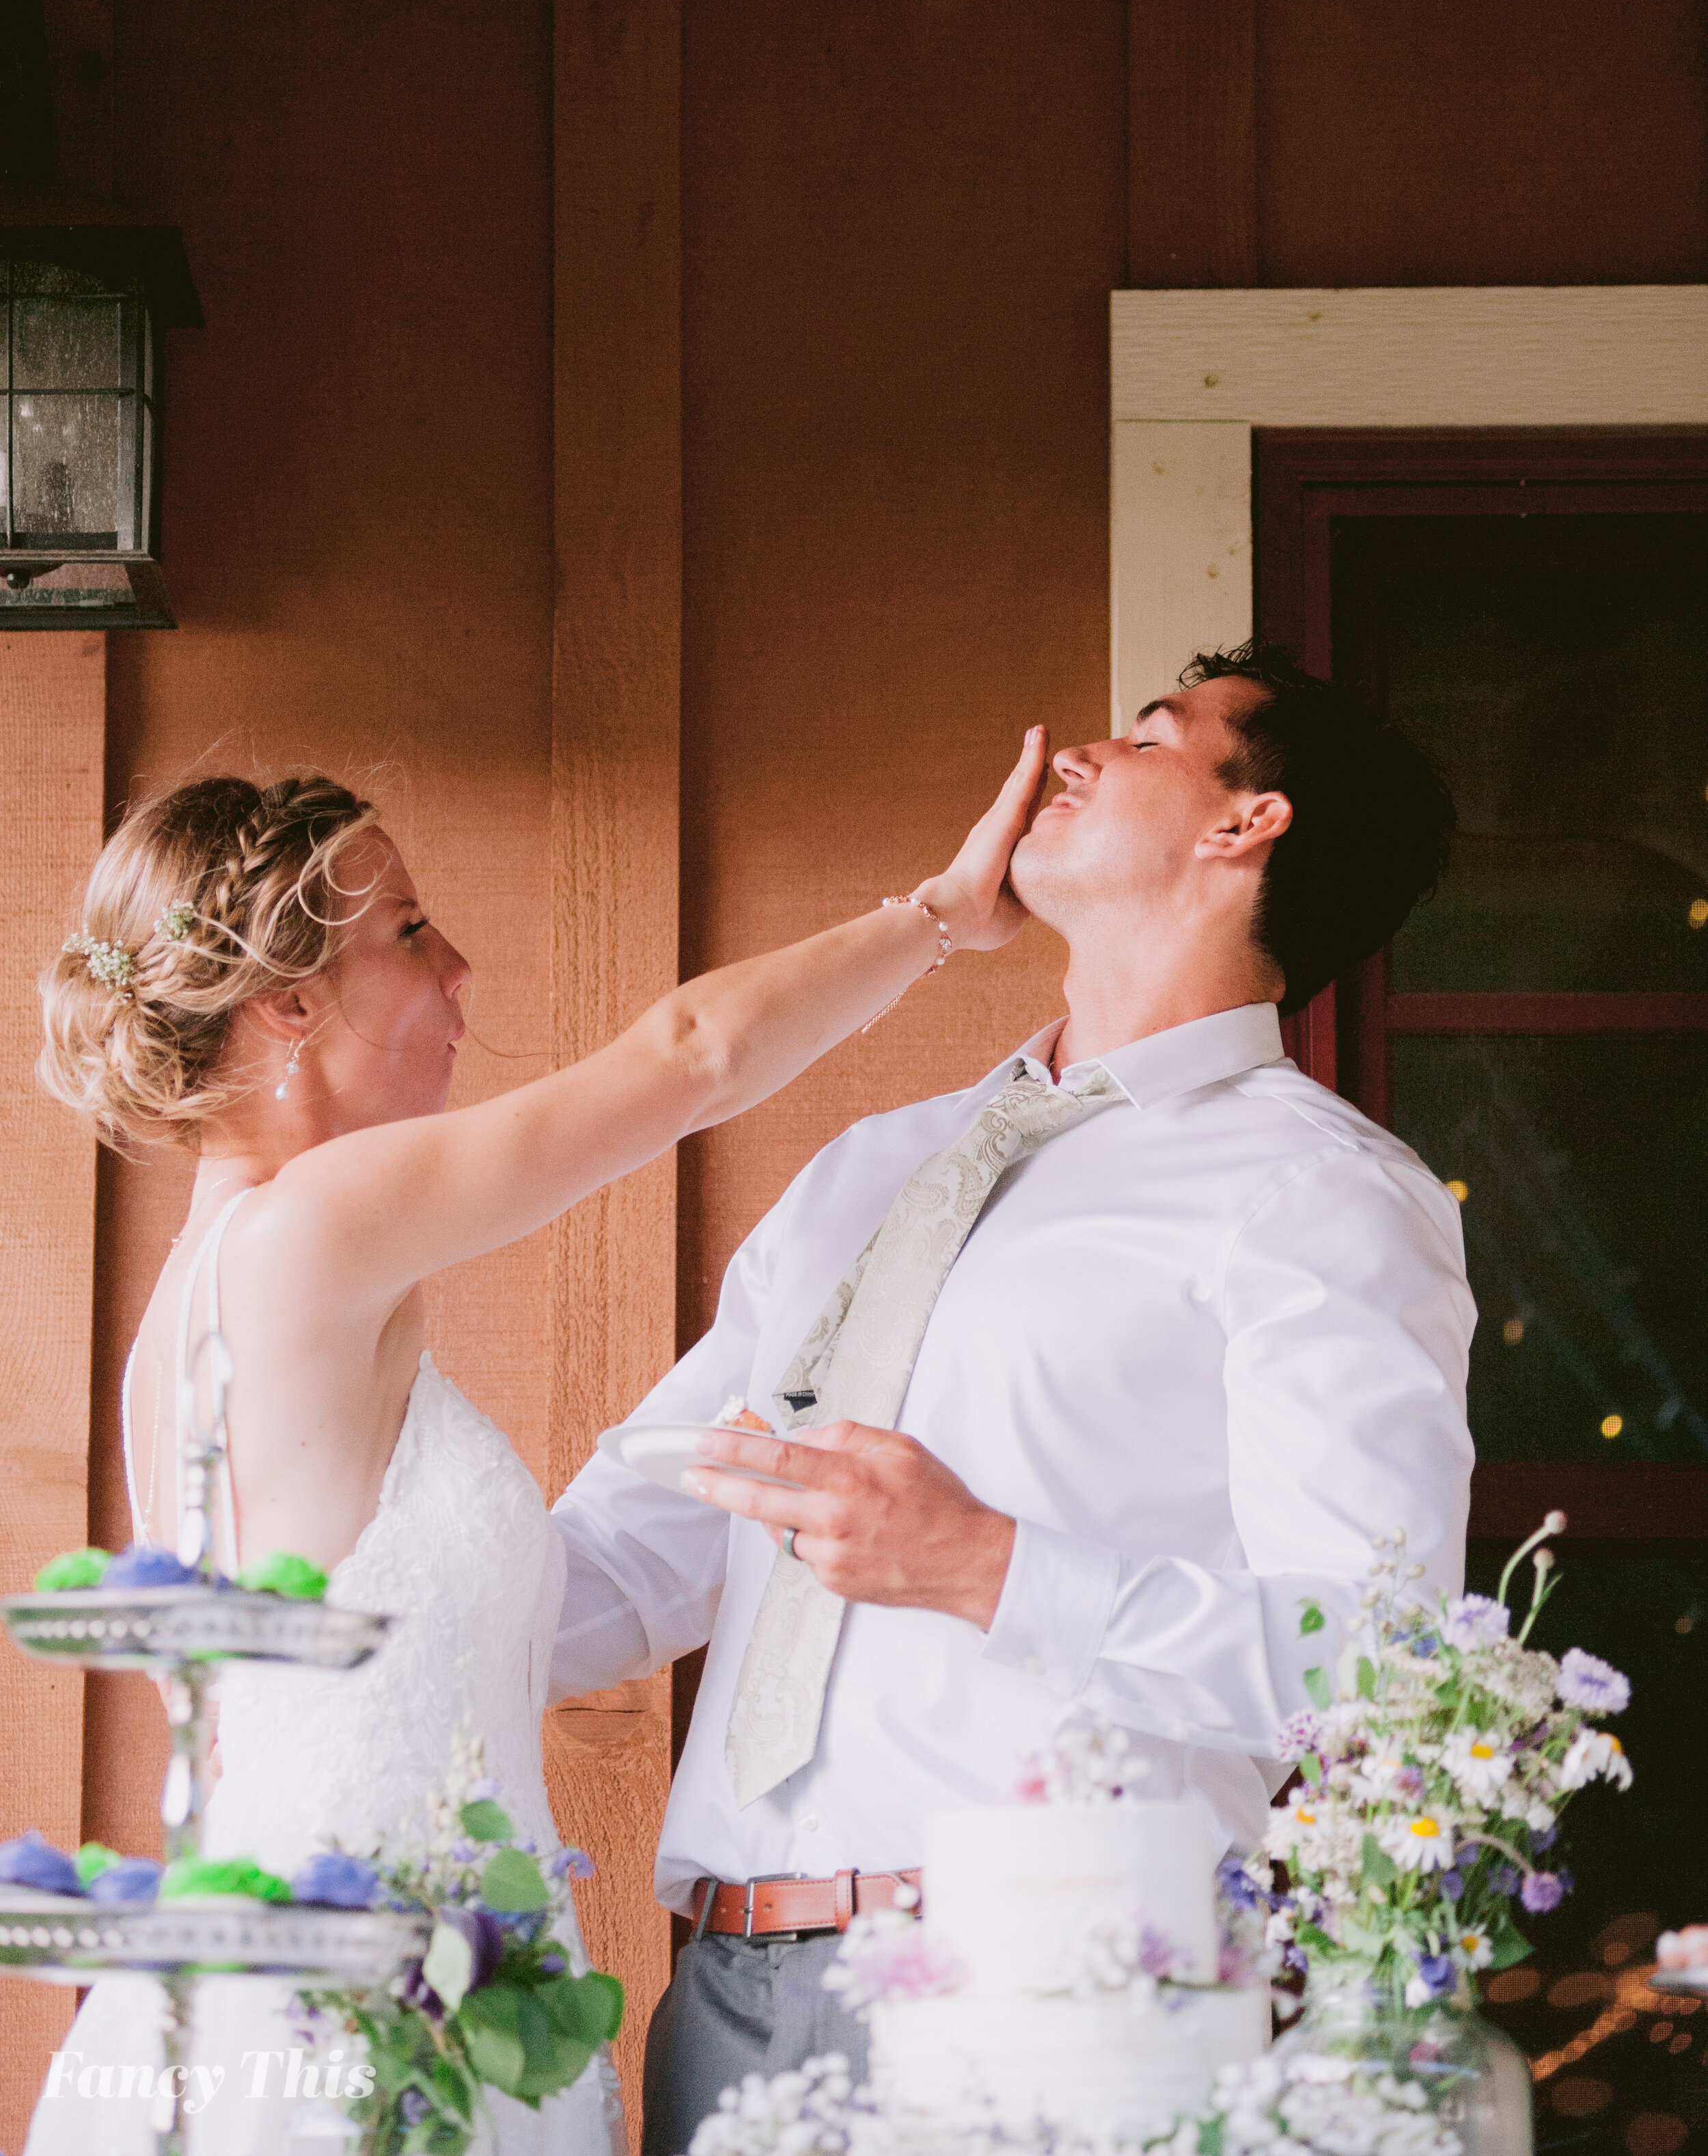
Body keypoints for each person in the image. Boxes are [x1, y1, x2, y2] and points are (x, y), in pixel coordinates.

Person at [25, 735, 1046, 2155]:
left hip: (373, 1991)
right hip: (375, 2029)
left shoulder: (211, 1294)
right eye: (408, 931)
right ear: (285, 1006)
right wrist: (937, 915)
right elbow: (687, 1061)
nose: (459, 971)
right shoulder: (310, 1231)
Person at [545, 641, 1474, 2156]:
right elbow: (652, 1537)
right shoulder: (871, 1167)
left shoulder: (1316, 1196)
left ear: (1247, 825)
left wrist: (984, 1565)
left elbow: (1374, 1661)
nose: (1074, 754)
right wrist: (378, 1606)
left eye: (1150, 736)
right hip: (721, 1997)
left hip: (1052, 2002)